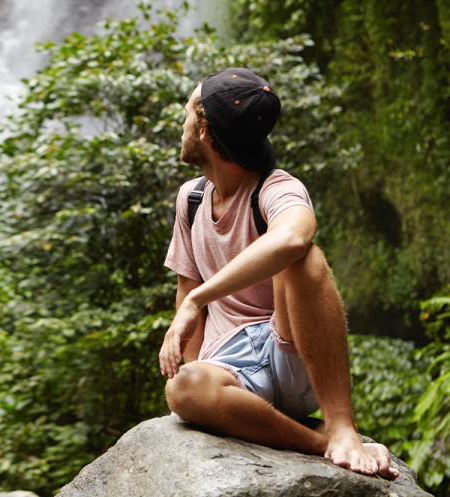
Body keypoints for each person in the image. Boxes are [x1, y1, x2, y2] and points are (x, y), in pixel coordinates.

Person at [158, 67, 399, 479]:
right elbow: (187, 293)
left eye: (185, 115)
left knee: (305, 257)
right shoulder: (191, 199)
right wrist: (193, 375)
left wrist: (199, 301)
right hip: (231, 367)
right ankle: (321, 441)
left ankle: (342, 424)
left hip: (289, 352)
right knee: (183, 388)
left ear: (203, 130)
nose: (179, 125)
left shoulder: (276, 188)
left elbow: (292, 237)